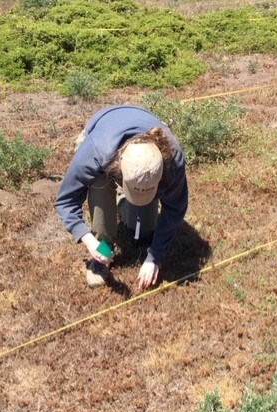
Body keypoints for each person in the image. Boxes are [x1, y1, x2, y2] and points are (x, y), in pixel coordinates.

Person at [55, 105, 188, 290]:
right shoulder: (97, 151)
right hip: (103, 130)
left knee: (143, 234)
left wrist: (154, 257)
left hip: (140, 127)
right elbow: (65, 201)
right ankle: (104, 246)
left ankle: (124, 204)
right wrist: (89, 241)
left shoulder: (173, 159)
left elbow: (175, 209)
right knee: (99, 181)